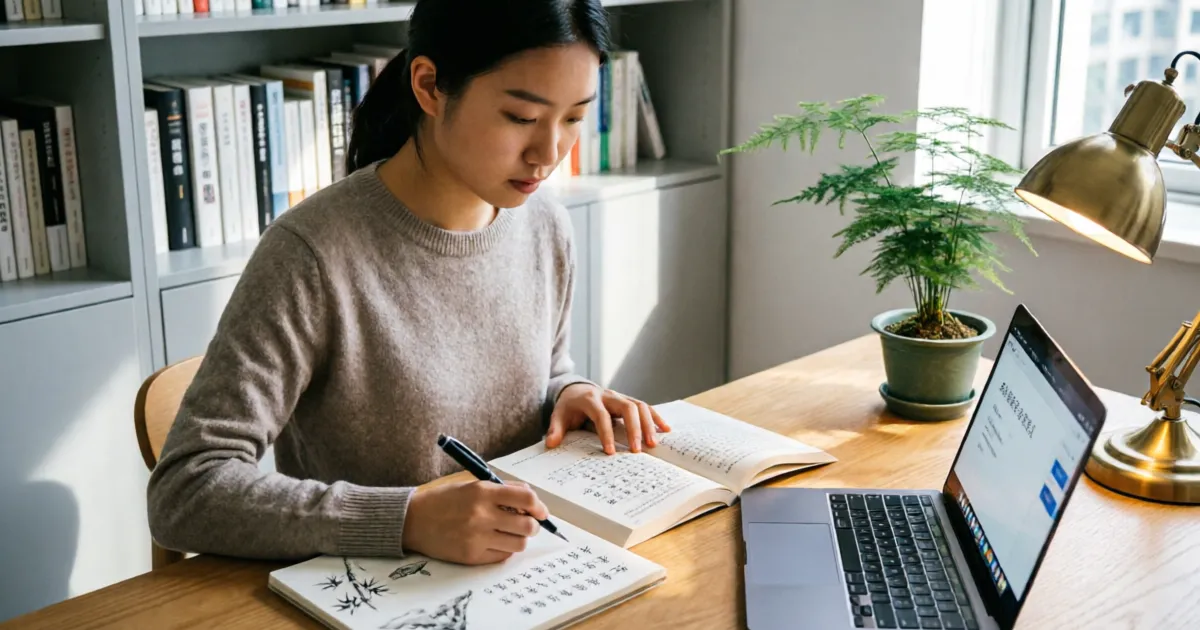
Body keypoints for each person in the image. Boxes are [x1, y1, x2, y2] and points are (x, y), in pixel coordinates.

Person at [146, 0, 669, 568]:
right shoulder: (311, 255)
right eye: (521, 118)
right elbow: (187, 490)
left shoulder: (544, 223)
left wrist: (568, 395)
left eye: (572, 118)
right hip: (377, 596)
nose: (548, 155)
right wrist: (403, 519)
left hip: (524, 575)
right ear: (429, 86)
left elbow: (543, 370)